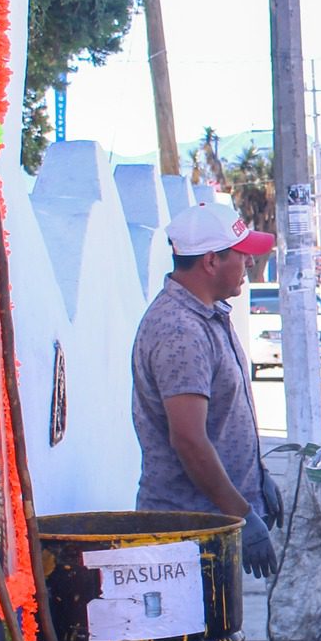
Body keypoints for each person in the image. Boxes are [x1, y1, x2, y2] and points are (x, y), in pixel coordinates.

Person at [130, 199, 283, 579]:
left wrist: (258, 479)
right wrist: (243, 514)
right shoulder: (181, 329)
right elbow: (189, 441)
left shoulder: (207, 315)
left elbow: (223, 420)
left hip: (212, 526)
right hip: (189, 537)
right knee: (193, 639)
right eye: (241, 254)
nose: (249, 263)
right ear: (211, 261)